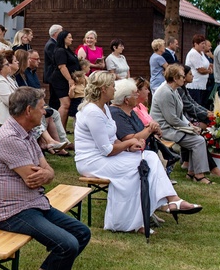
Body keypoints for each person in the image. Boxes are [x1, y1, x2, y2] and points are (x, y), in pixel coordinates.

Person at [0, 87, 91, 270]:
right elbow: (33, 178)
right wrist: (45, 174)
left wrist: (47, 174)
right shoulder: (10, 138)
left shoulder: (27, 133)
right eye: (42, 108)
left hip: (32, 203)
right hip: (10, 212)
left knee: (81, 232)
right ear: (29, 110)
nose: (44, 112)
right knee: (67, 243)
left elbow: (47, 171)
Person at [76, 71, 202, 233]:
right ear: (103, 89)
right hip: (92, 162)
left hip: (104, 157)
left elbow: (113, 140)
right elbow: (106, 150)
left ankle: (155, 209)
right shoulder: (93, 112)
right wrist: (129, 142)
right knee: (141, 164)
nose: (115, 90)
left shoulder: (104, 109)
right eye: (112, 86)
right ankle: (162, 205)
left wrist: (129, 146)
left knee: (148, 157)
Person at [150, 65, 214, 184]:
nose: (184, 79)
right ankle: (198, 175)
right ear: (175, 78)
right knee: (198, 141)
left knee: (197, 138)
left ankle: (191, 173)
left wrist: (190, 124)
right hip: (164, 130)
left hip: (172, 127)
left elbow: (180, 114)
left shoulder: (173, 90)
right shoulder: (165, 92)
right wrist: (190, 128)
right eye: (183, 76)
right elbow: (172, 119)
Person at [51, 30, 81, 130]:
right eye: (69, 37)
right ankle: (59, 130)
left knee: (68, 105)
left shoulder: (68, 50)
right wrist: (69, 80)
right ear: (63, 38)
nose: (72, 39)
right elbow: (62, 66)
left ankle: (62, 129)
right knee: (65, 104)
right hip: (61, 80)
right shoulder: (60, 50)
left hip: (69, 79)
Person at [0, 50, 20, 126]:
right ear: (0, 67)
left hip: (11, 120)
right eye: (7, 64)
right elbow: (11, 102)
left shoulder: (9, 79)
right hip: (2, 122)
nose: (9, 66)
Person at [184, 34, 212, 108]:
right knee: (196, 105)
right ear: (195, 44)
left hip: (202, 84)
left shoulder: (202, 53)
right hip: (194, 84)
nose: (203, 46)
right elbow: (200, 70)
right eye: (202, 44)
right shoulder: (193, 53)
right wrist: (209, 71)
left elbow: (207, 64)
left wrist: (209, 67)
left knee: (202, 105)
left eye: (204, 43)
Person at [42, 25, 63, 98]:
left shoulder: (55, 43)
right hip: (53, 75)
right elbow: (55, 59)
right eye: (60, 32)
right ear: (55, 33)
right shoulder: (51, 44)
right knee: (54, 98)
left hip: (54, 75)